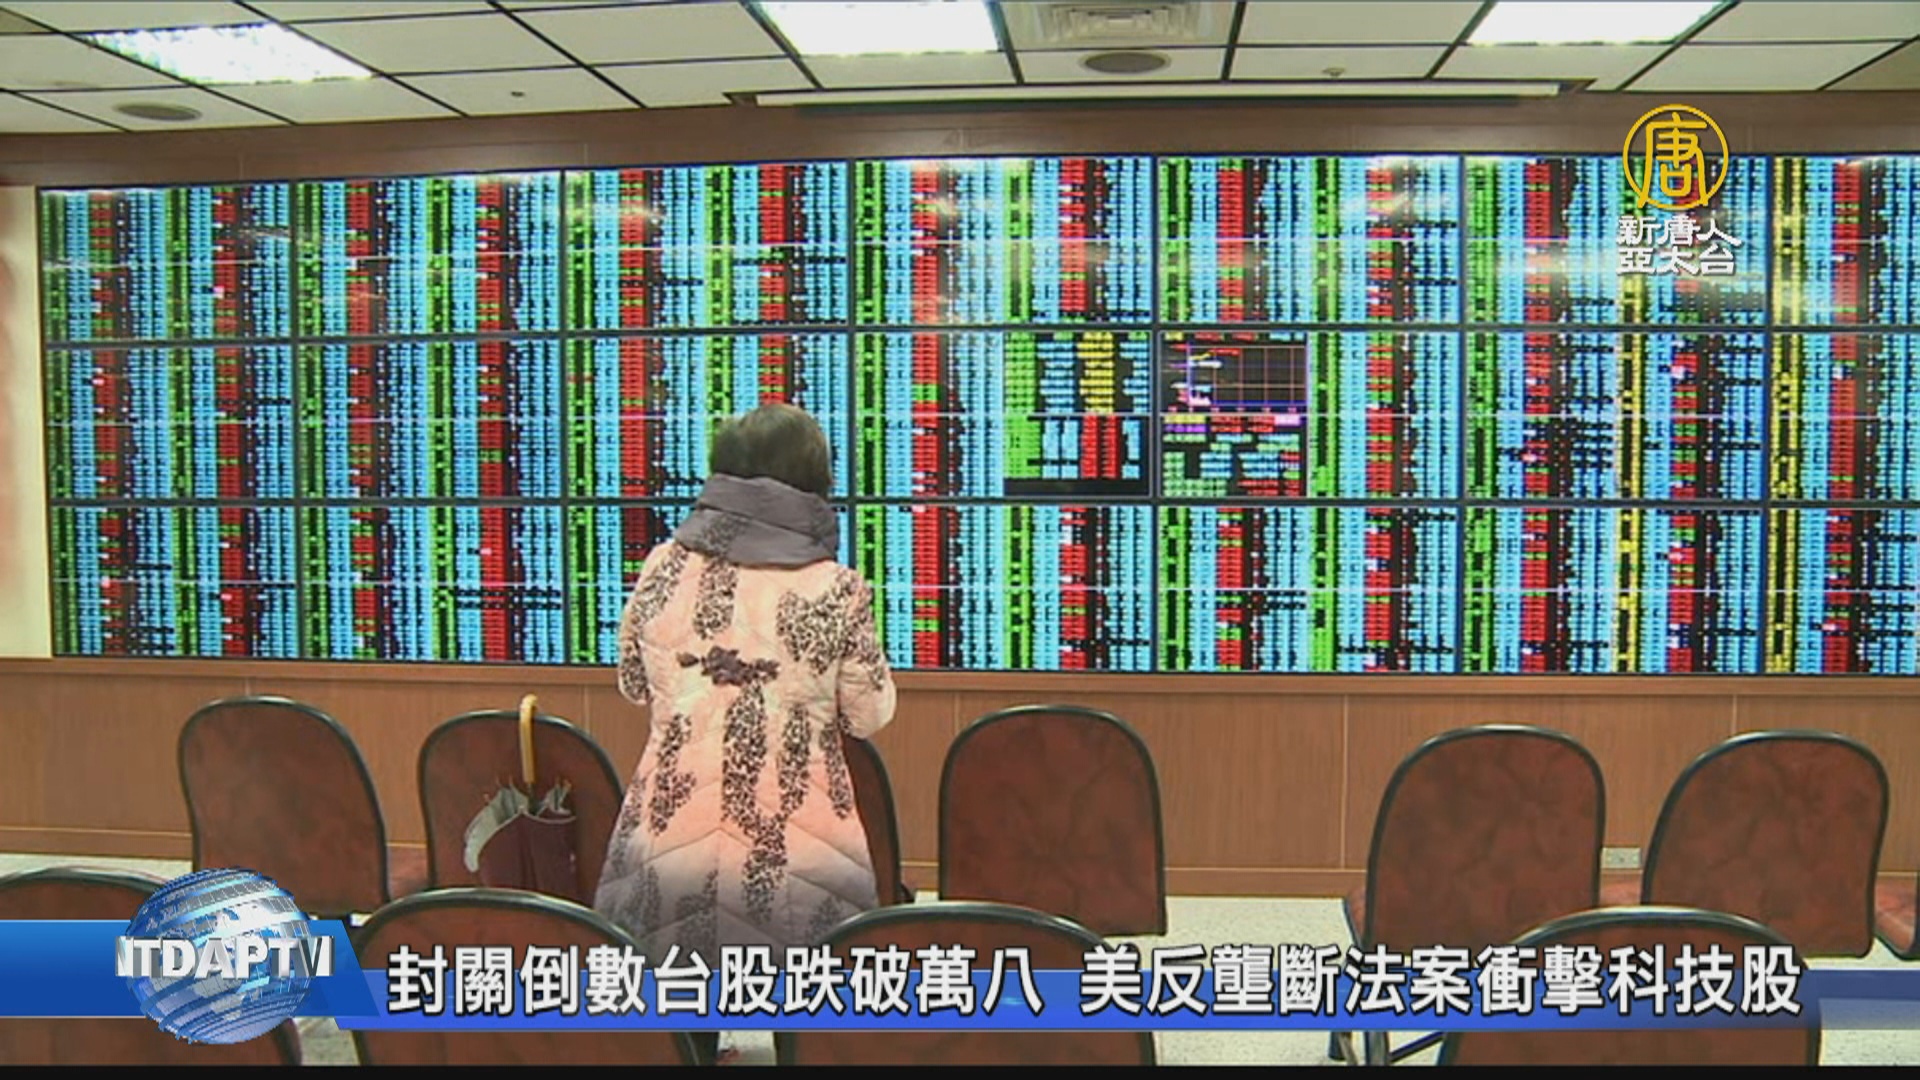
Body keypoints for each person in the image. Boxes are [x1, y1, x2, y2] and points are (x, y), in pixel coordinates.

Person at [593, 402, 896, 1065]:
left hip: (668, 822)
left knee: (677, 984)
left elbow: (633, 684)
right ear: (815, 480)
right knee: (805, 987)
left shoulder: (662, 567)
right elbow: (869, 715)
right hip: (799, 833)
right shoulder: (837, 588)